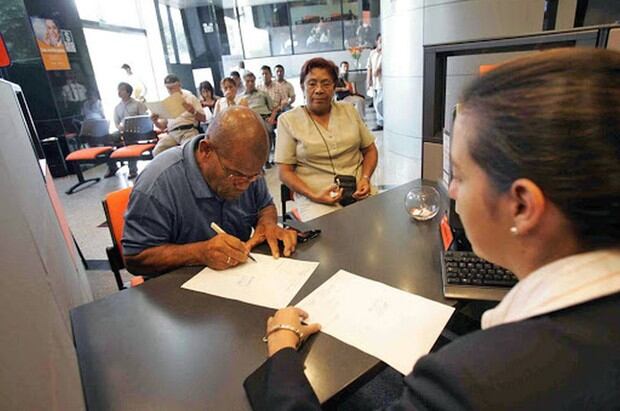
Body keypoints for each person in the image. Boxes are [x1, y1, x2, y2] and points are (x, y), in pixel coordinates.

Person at [244, 48, 620, 410]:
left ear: (521, 205)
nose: (451, 190)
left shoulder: (471, 381)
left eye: (459, 174)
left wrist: (281, 344)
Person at [122, 106, 297, 276]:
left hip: (236, 276)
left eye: (254, 176)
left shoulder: (247, 171)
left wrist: (267, 224)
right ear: (206, 150)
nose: (245, 186)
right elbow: (135, 258)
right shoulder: (158, 183)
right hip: (176, 288)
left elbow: (265, 206)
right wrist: (199, 252)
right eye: (236, 176)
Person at [275, 57, 378, 221]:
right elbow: (284, 172)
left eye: (326, 83)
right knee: (333, 241)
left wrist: (365, 179)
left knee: (379, 232)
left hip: (359, 190)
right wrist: (314, 195)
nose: (319, 90)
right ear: (302, 86)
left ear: (334, 86)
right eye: (312, 83)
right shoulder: (288, 121)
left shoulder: (349, 111)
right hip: (317, 198)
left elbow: (370, 150)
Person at [151, 74, 206, 156]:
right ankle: (172, 168)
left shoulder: (190, 97)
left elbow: (203, 118)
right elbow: (163, 126)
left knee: (189, 152)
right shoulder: (167, 101)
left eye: (172, 88)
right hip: (172, 133)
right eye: (168, 88)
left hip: (188, 131)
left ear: (179, 85)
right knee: (157, 151)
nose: (170, 91)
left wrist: (192, 111)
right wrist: (155, 121)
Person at [109, 82, 148, 179]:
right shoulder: (117, 107)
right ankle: (112, 167)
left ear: (128, 92)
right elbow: (116, 123)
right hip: (123, 130)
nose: (119, 92)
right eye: (118, 90)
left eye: (122, 90)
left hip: (136, 130)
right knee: (109, 138)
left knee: (129, 139)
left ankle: (132, 170)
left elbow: (145, 118)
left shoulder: (137, 104)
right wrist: (119, 127)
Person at [243, 71, 279, 168]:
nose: (250, 83)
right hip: (249, 120)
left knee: (268, 131)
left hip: (264, 118)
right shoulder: (241, 98)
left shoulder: (263, 94)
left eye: (252, 81)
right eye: (248, 81)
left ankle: (266, 160)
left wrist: (272, 118)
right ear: (244, 83)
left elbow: (274, 109)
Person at [366, 33, 383, 131]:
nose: (381, 42)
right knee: (376, 103)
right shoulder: (372, 53)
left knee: (380, 103)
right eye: (380, 40)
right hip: (375, 83)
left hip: (382, 83)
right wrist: (369, 81)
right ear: (377, 41)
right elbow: (369, 67)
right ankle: (379, 122)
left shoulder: (386, 53)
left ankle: (381, 122)